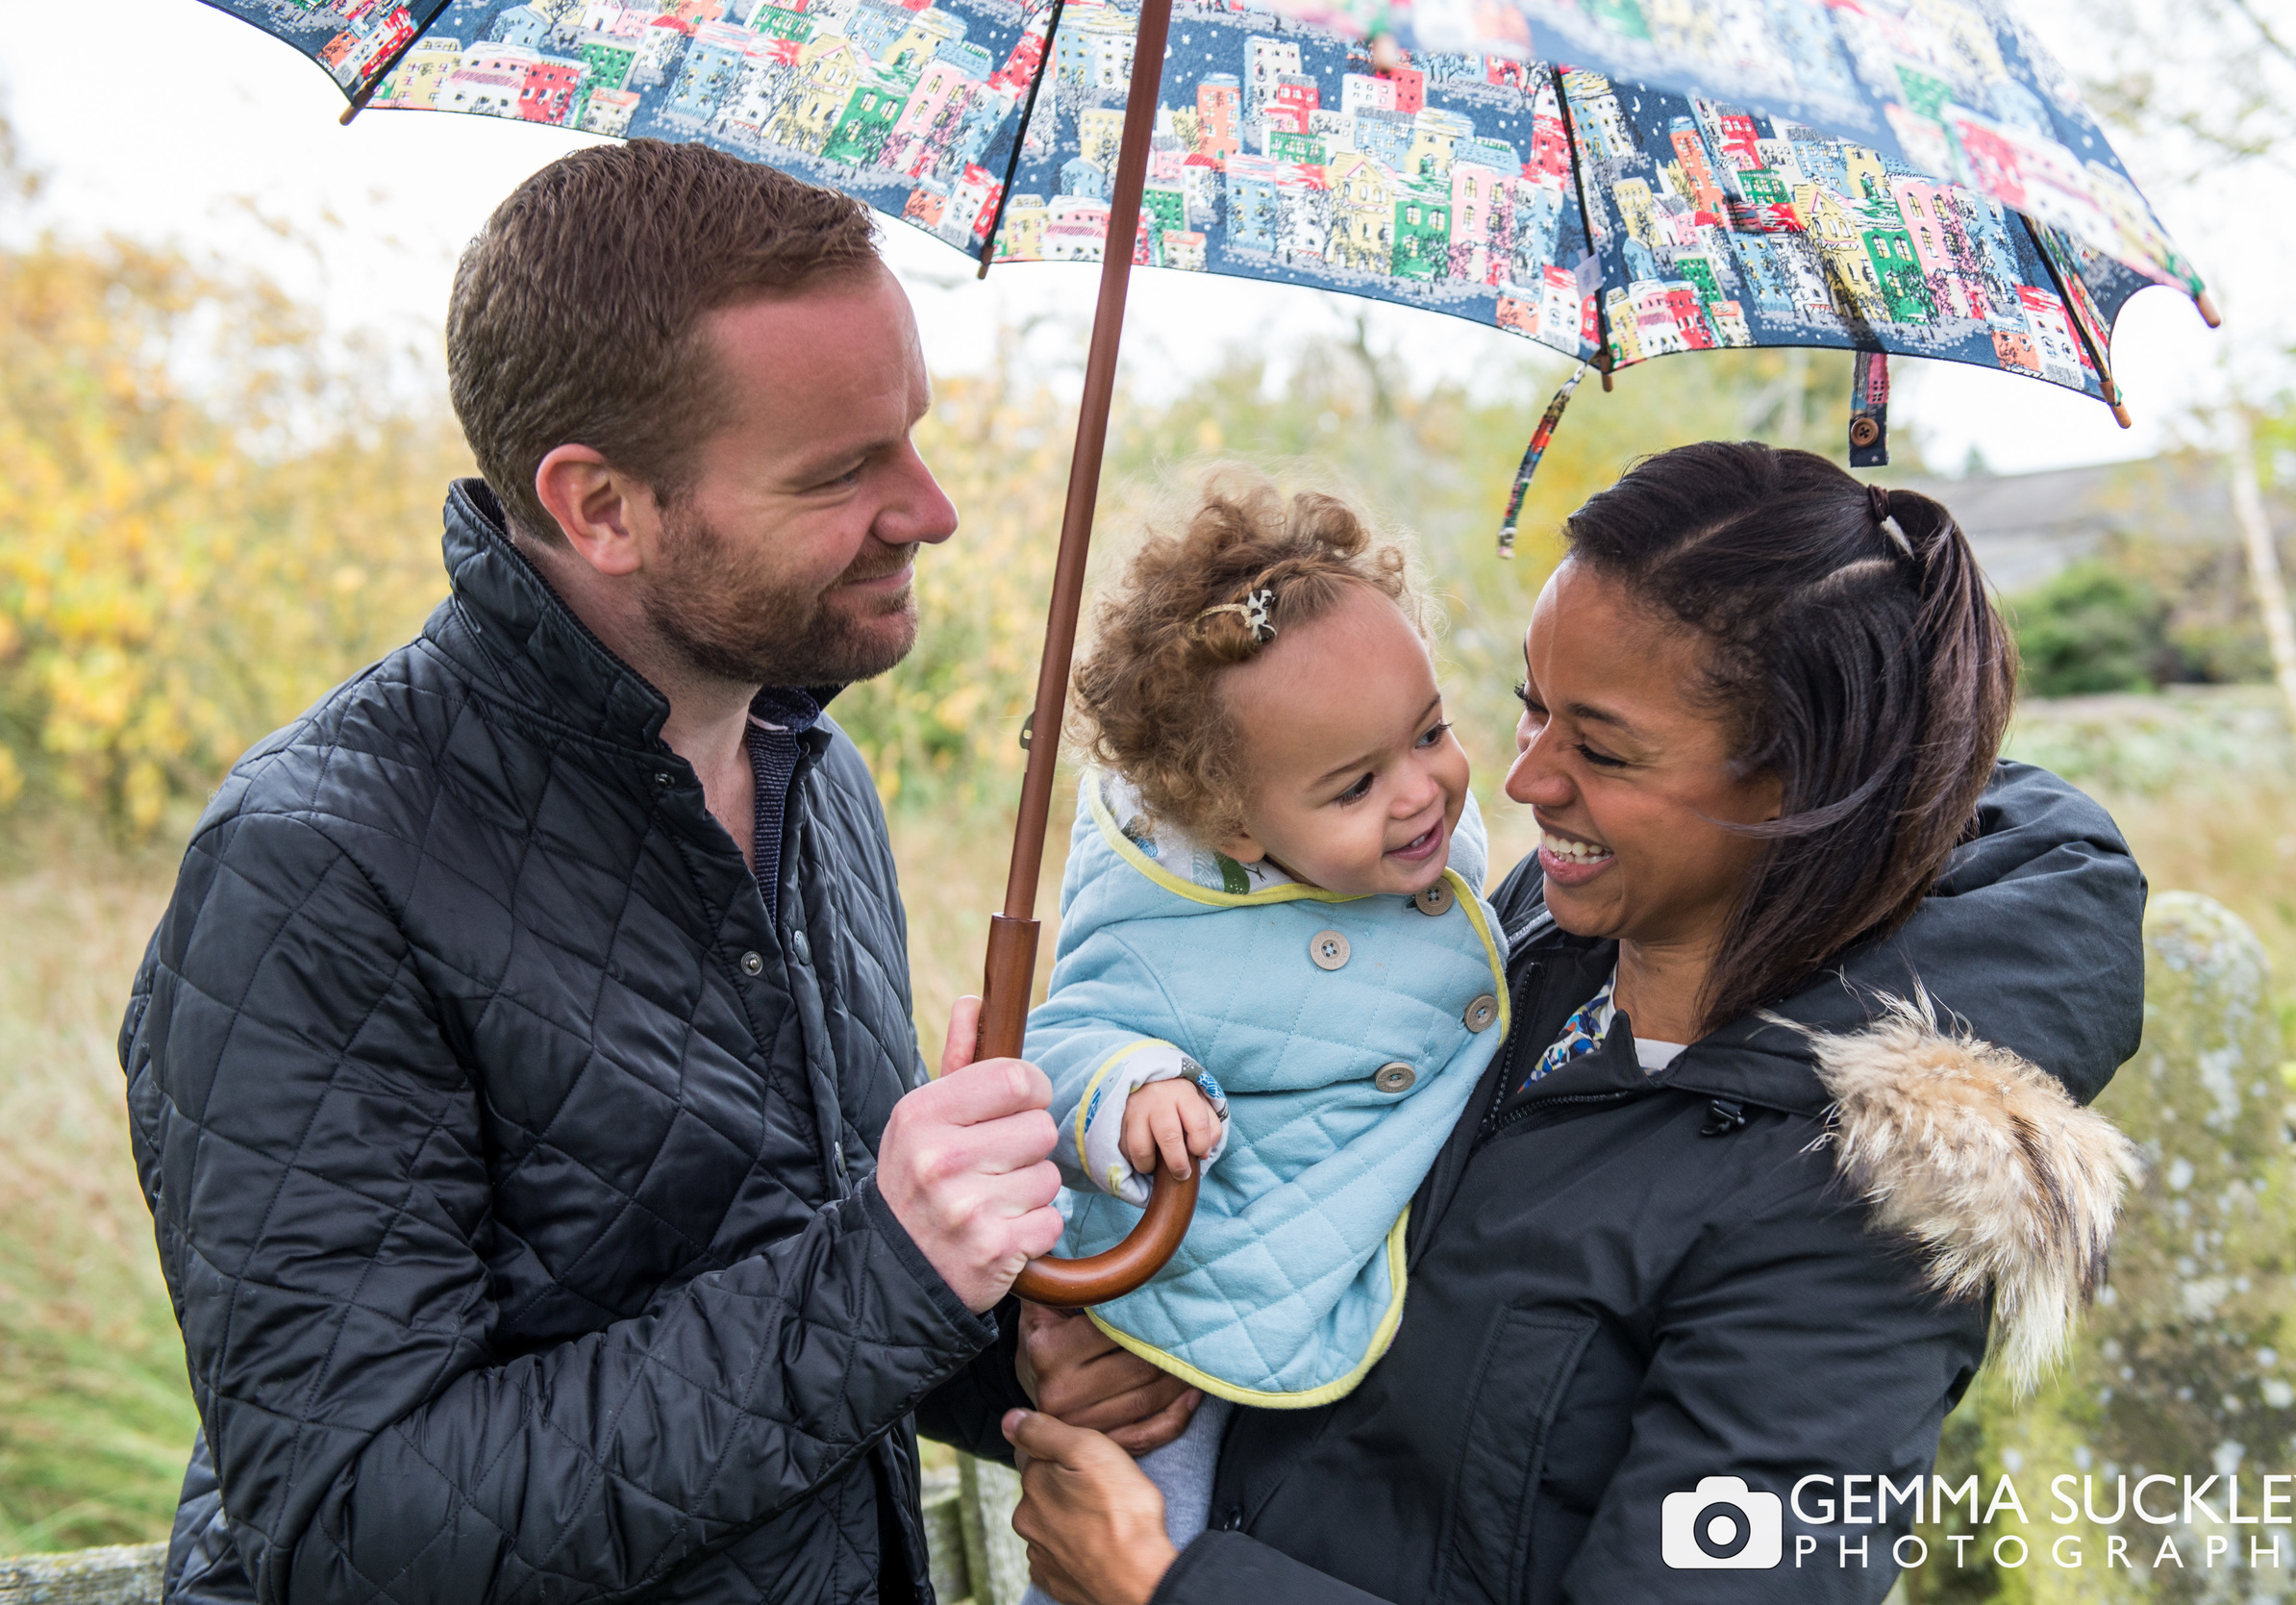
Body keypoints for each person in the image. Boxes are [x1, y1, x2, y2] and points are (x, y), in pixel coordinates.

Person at [120, 140, 1077, 1605]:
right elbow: (358, 1534)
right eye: (842, 470)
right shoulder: (315, 870)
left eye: (915, 432)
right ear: (601, 506)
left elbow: (789, 1297)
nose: (929, 508)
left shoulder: (815, 781)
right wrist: (887, 1274)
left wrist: (1032, 1341)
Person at [1001, 442, 2149, 1605]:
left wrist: (1166, 1586)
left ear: (1799, 786)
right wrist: (1094, 1343)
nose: (1523, 781)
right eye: (1528, 711)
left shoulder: (1851, 1208)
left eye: (1599, 748)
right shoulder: (1529, 950)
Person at [1017, 477, 1509, 1577]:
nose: (1422, 792)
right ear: (1234, 821)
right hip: (1197, 1279)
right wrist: (1133, 1085)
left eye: (1430, 731)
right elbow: (1059, 1042)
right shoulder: (1165, 917)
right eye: (1354, 787)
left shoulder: (1415, 847)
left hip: (1340, 1238)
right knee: (1145, 1512)